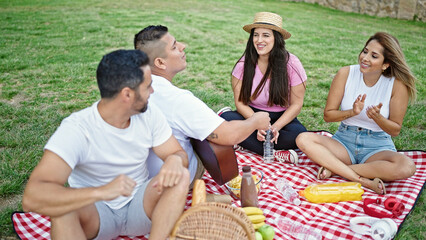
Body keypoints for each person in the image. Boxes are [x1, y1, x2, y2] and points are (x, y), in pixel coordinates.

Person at [22, 50, 190, 240]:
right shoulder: (77, 129)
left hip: (139, 207)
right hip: (96, 214)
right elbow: (32, 197)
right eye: (148, 86)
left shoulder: (149, 113)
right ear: (127, 94)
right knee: (62, 209)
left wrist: (175, 160)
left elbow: (176, 152)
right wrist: (101, 192)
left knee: (181, 175)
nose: (152, 91)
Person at [134, 25, 271, 185]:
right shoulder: (178, 100)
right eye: (174, 46)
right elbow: (228, 135)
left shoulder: (130, 87)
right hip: (168, 179)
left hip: (136, 174)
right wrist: (256, 120)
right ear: (160, 62)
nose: (182, 46)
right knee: (211, 141)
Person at [296, 32, 417, 195]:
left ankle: (336, 169)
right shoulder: (345, 74)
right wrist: (351, 112)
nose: (365, 58)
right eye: (365, 51)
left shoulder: (397, 85)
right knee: (303, 138)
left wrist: (378, 118)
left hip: (377, 146)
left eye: (374, 56)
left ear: (385, 64)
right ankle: (361, 179)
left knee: (407, 166)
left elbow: (395, 130)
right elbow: (328, 115)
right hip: (344, 142)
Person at [219, 12, 307, 164]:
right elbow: (240, 103)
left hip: (281, 117)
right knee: (225, 119)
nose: (259, 40)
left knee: (299, 135)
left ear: (276, 38)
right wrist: (255, 123)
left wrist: (275, 128)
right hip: (252, 114)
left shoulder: (292, 63)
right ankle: (276, 154)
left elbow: (297, 104)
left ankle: (241, 140)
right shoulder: (243, 64)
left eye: (266, 35)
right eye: (256, 35)